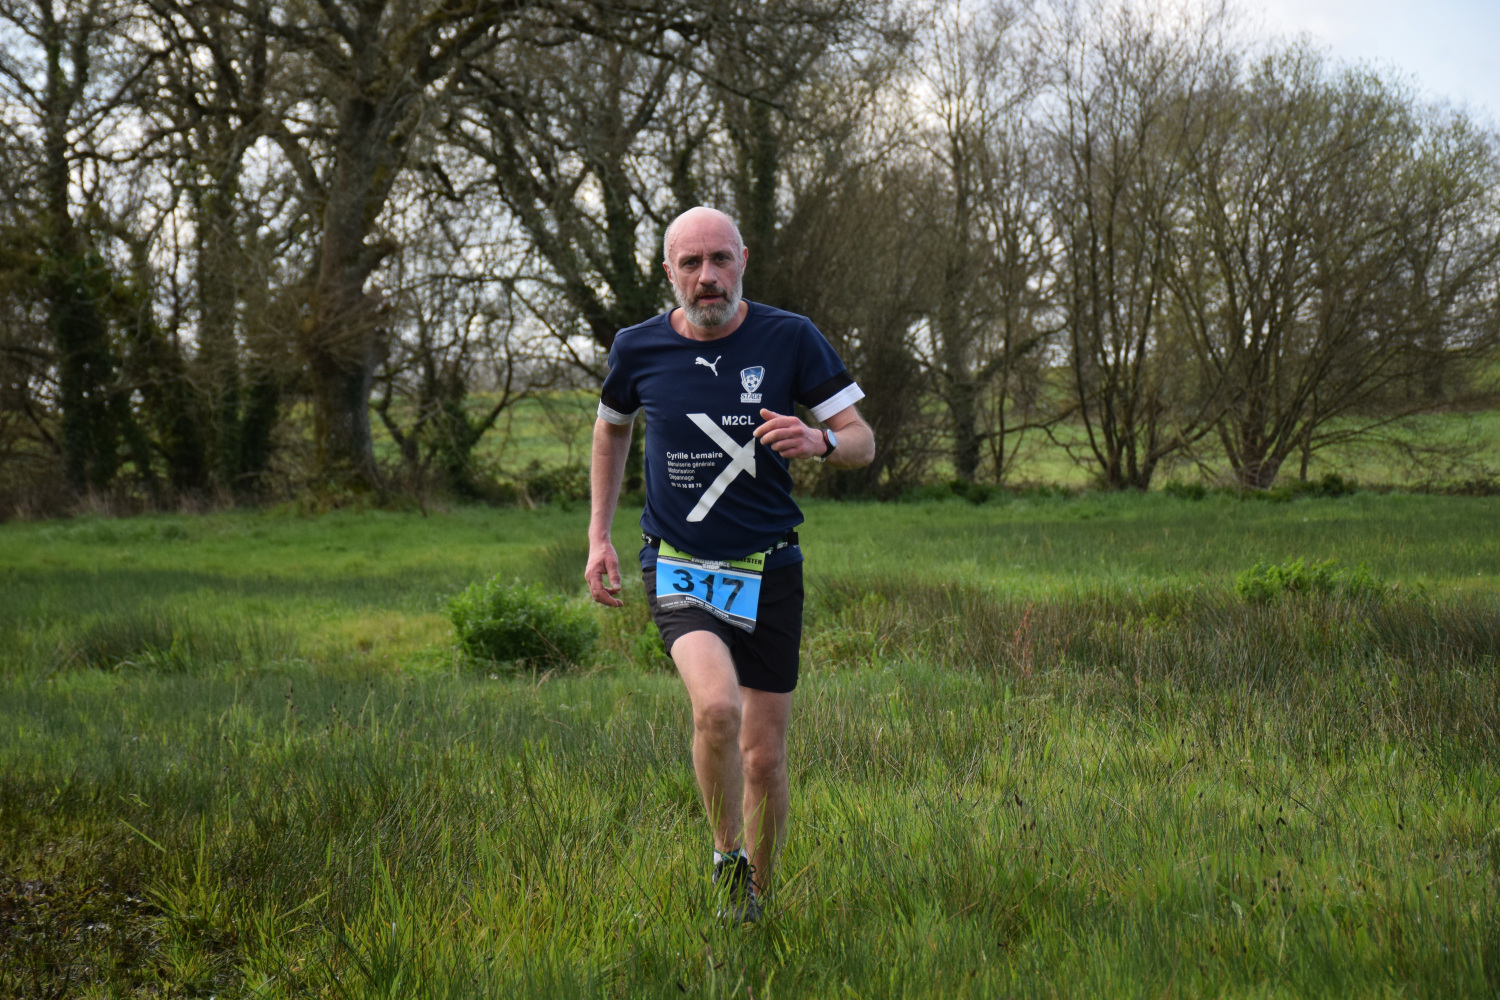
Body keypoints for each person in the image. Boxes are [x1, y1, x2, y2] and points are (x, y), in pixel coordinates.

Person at [585, 206, 874, 923]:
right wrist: (599, 536)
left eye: (720, 259)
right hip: (679, 564)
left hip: (770, 569)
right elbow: (611, 430)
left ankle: (757, 904)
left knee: (763, 758)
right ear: (669, 272)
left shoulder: (790, 337)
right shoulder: (637, 347)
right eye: (691, 263)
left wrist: (820, 441)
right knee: (716, 708)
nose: (707, 277)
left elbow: (861, 440)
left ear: (743, 261)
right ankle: (726, 858)